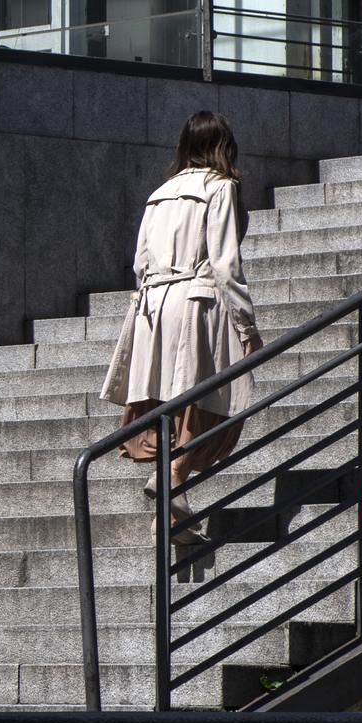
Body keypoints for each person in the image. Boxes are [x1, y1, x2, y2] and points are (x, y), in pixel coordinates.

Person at [101, 111, 265, 543]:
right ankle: (174, 474)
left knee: (169, 406)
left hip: (152, 308)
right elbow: (226, 262)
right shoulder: (220, 187)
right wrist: (247, 326)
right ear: (223, 145)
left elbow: (139, 262)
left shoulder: (160, 194)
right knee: (214, 402)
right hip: (196, 302)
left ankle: (172, 516)